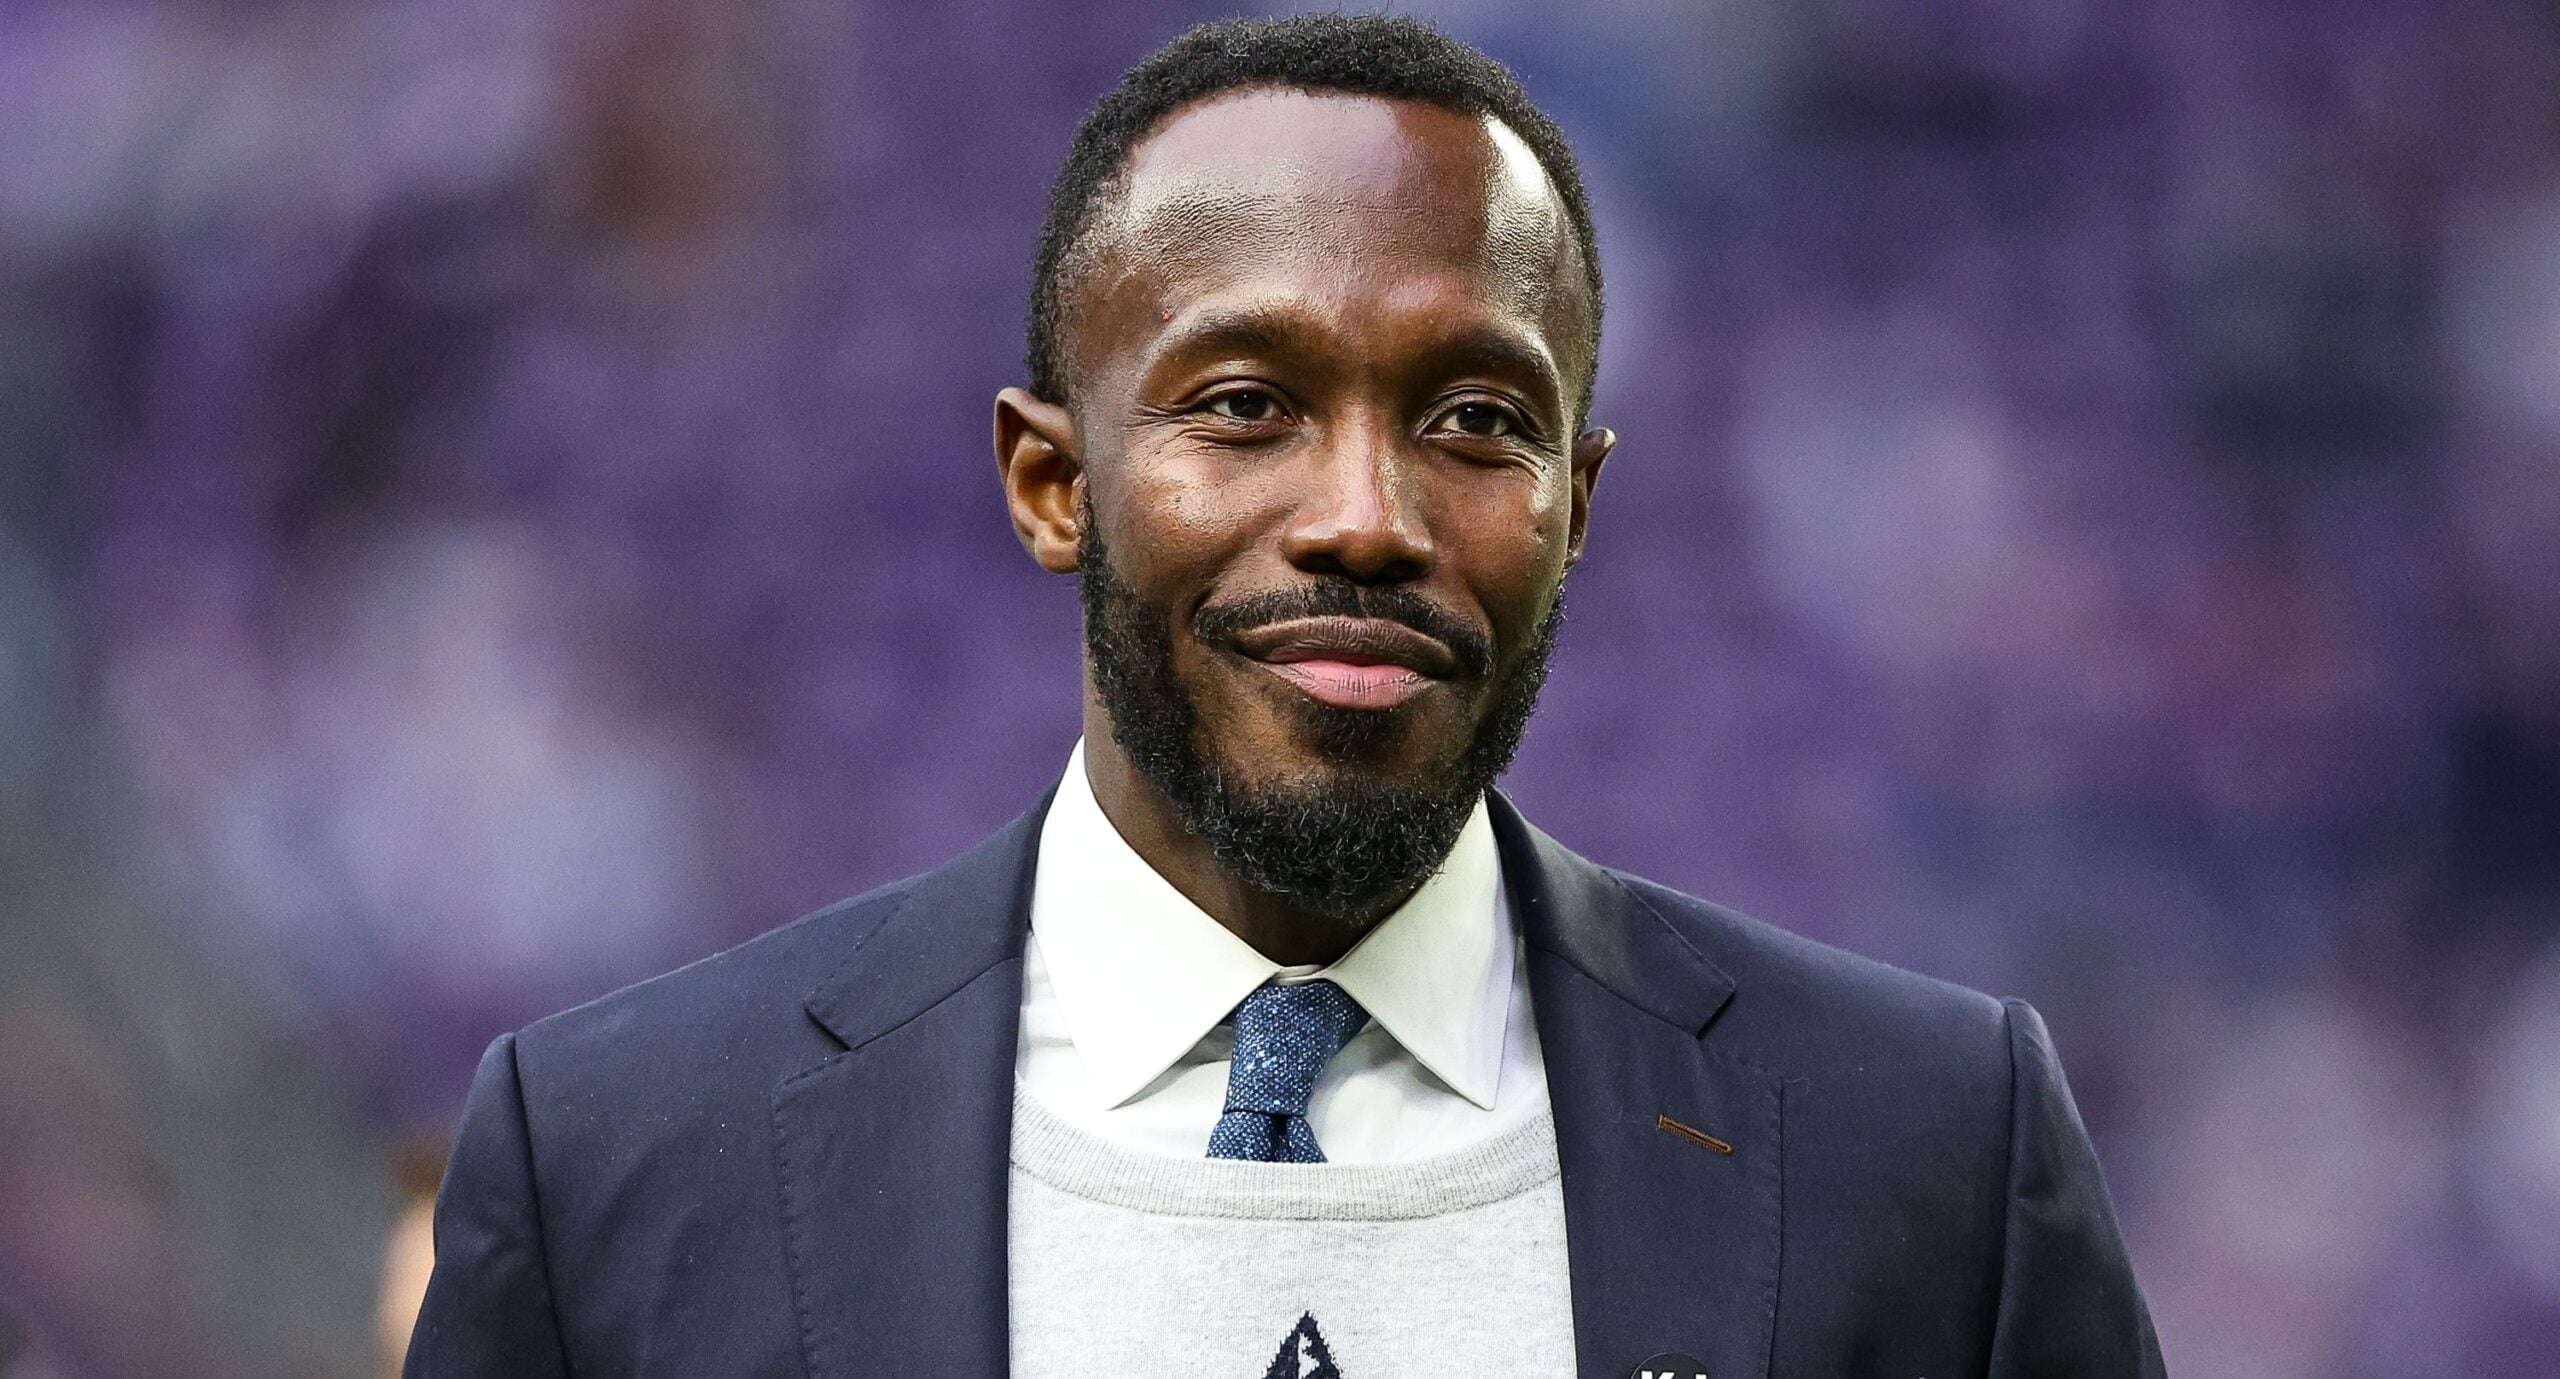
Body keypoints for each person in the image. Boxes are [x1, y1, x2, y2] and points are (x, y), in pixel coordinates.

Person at [405, 15, 2163, 1378]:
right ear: (1050, 483)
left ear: (1580, 508)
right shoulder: (615, 1168)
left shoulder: (1930, 1150)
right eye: (1246, 403)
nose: (1365, 520)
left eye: (1479, 421)